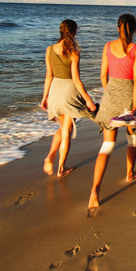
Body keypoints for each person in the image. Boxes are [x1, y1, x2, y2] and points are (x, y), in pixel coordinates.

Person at [88, 14, 136, 215]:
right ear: (134, 29)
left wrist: (110, 93)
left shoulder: (107, 46)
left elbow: (103, 76)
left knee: (108, 145)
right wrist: (132, 105)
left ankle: (95, 190)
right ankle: (130, 173)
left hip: (110, 100)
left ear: (118, 27)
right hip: (129, 98)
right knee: (132, 139)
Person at [40, 19, 97, 177]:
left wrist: (45, 97)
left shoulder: (49, 49)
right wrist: (88, 100)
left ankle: (51, 156)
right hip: (68, 92)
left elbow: (49, 75)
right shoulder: (73, 52)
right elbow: (76, 80)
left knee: (63, 126)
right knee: (67, 130)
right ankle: (60, 169)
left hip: (55, 92)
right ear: (74, 32)